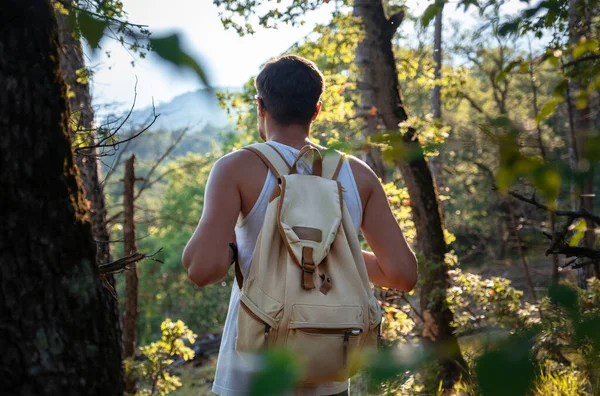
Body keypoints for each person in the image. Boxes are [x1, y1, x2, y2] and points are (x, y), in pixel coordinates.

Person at [182, 55, 418, 396]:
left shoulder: (236, 168)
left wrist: (241, 248)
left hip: (252, 373)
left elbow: (201, 271)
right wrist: (332, 251)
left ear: (260, 106)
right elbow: (402, 274)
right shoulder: (359, 175)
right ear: (316, 110)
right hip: (329, 371)